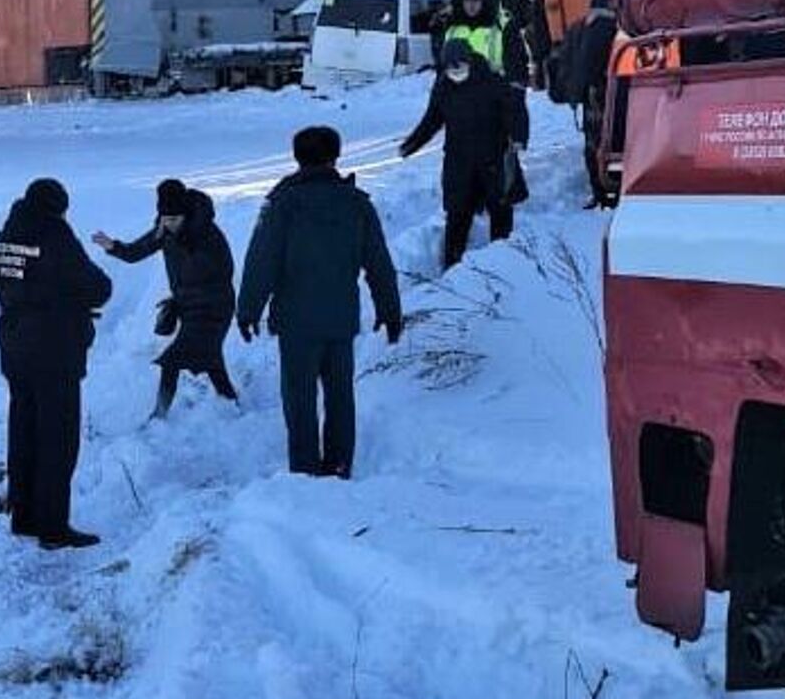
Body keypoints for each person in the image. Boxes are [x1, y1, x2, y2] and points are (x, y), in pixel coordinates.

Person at [237, 126, 401, 479]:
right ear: (335, 156)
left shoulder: (283, 204)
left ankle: (305, 470)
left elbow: (262, 259)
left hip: (296, 322)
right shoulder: (356, 204)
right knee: (340, 395)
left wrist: (249, 308)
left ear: (297, 158)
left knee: (299, 399)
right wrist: (389, 308)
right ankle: (340, 464)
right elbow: (378, 263)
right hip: (340, 318)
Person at [0, 178, 112, 550]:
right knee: (57, 438)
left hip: (14, 346)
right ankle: (53, 526)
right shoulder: (55, 237)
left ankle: (23, 516)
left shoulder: (0, 239)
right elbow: (97, 287)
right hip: (55, 350)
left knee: (22, 430)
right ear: (57, 209)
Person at [92, 178, 238, 418]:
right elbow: (135, 252)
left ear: (186, 214)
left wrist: (181, 244)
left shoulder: (208, 236)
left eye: (173, 219)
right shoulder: (165, 231)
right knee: (211, 360)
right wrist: (112, 246)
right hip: (190, 309)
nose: (168, 224)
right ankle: (230, 402)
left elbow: (221, 274)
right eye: (164, 219)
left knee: (172, 360)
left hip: (214, 308)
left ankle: (159, 416)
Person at [400, 38, 528, 269]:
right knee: (458, 214)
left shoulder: (491, 81)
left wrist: (518, 137)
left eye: (460, 67)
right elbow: (432, 119)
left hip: (493, 159)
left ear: (470, 62)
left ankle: (503, 264)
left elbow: (514, 111)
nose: (456, 72)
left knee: (499, 210)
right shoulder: (444, 87)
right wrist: (412, 144)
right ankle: (452, 267)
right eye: (451, 68)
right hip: (460, 162)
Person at [579, 0, 659, 209]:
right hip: (667, 71)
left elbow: (597, 36)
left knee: (610, 135)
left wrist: (586, 78)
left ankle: (609, 195)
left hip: (622, 73)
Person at [483, 0, 531, 88]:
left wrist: (524, 18)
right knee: (497, 51)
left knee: (517, 50)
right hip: (495, 23)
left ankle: (519, 77)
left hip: (513, 22)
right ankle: (498, 78)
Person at [444, 0, 503, 76]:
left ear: (483, 2)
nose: (471, 5)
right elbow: (446, 63)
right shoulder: (452, 31)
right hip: (460, 87)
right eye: (467, 0)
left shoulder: (497, 30)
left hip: (489, 85)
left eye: (476, 0)